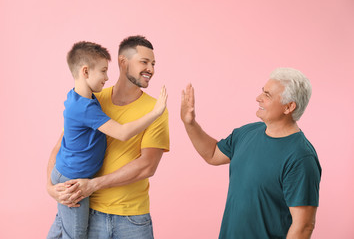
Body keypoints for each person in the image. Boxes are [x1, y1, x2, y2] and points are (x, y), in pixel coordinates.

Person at [47, 36, 169, 239]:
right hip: (89, 210)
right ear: (123, 62)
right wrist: (50, 188)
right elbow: (61, 146)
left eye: (153, 64)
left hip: (132, 219)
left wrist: (93, 184)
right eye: (144, 62)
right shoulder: (94, 100)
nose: (151, 69)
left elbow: (148, 166)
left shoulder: (155, 109)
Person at [181, 68, 321, 239]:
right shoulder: (247, 133)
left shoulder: (301, 158)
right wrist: (190, 123)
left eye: (267, 95)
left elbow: (303, 226)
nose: (258, 98)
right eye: (262, 91)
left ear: (289, 107)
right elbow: (212, 154)